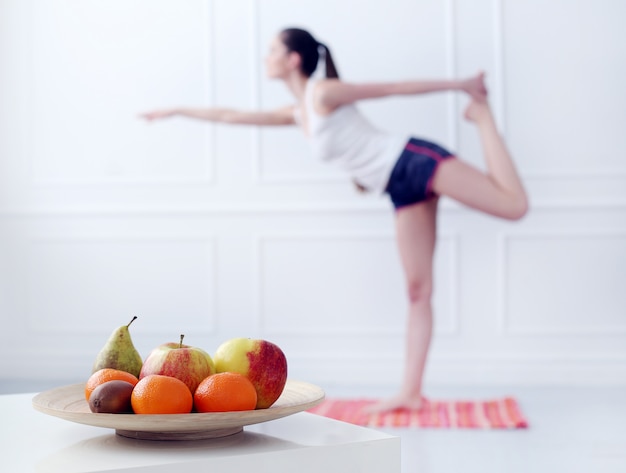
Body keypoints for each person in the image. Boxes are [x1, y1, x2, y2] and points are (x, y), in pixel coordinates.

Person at [141, 27, 528, 413]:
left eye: (272, 49)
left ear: (293, 59)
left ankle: (482, 115)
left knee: (513, 206)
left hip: (412, 159)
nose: (265, 57)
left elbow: (394, 87)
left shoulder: (323, 93)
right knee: (417, 290)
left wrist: (462, 85)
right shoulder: (299, 111)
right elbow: (232, 114)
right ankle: (411, 391)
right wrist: (176, 111)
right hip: (399, 185)